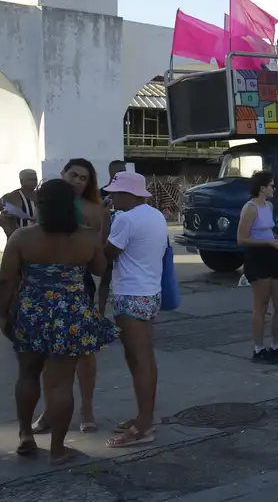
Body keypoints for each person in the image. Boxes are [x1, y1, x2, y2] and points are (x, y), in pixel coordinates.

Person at [0, 179, 118, 465]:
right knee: (61, 384)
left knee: (27, 374)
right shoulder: (86, 238)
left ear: (41, 205)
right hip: (71, 314)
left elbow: (5, 280)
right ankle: (58, 449)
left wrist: (4, 315)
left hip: (32, 311)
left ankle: (26, 434)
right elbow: (101, 269)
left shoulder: (22, 237)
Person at [102, 171, 170, 448]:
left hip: (130, 294)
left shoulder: (125, 219)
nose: (111, 197)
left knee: (139, 360)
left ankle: (144, 427)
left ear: (130, 194)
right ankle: (144, 416)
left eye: (116, 193)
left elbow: (107, 254)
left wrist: (104, 224)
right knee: (142, 359)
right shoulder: (155, 215)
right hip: (149, 292)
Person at [237, 171, 278, 365]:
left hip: (272, 255)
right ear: (262, 188)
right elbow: (242, 239)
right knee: (261, 306)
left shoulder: (269, 206)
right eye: (271, 185)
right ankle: (259, 348)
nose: (274, 189)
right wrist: (267, 244)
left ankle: (276, 345)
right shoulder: (250, 208)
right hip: (257, 258)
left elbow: (265, 232)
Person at [0, 168, 39, 237]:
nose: (34, 182)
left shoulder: (41, 195)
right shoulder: (11, 197)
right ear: (21, 181)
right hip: (18, 237)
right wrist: (5, 226)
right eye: (30, 180)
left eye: (35, 179)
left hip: (38, 237)